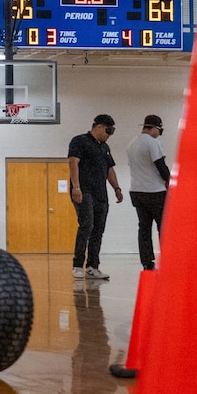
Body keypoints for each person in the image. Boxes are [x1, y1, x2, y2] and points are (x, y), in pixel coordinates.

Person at [67, 113, 122, 281]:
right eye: (108, 130)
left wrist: (117, 188)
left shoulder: (105, 147)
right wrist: (76, 187)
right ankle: (77, 265)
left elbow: (109, 169)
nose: (109, 135)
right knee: (87, 225)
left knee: (98, 230)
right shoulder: (79, 141)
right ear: (98, 127)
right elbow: (73, 162)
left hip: (101, 195)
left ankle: (92, 266)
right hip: (84, 191)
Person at [126, 114, 170, 271]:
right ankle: (167, 260)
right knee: (163, 227)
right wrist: (171, 183)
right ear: (155, 128)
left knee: (144, 228)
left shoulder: (132, 144)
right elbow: (161, 166)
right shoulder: (152, 143)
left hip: (137, 191)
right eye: (160, 130)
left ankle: (147, 263)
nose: (159, 134)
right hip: (155, 191)